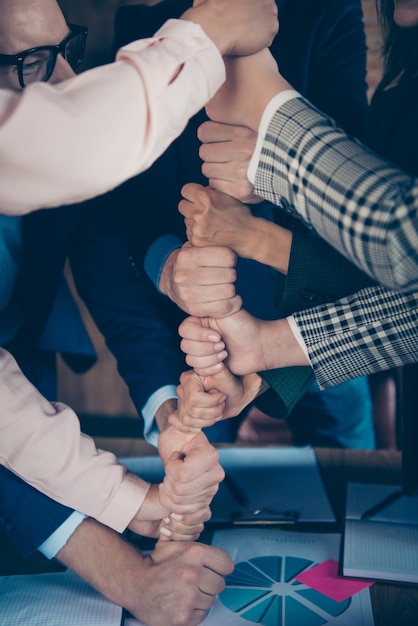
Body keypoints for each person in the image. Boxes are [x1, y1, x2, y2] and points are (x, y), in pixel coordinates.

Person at [0, 0, 279, 621]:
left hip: (24, 373)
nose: (71, 85)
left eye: (67, 50)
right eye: (32, 63)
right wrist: (126, 569)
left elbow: (109, 276)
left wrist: (167, 412)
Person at [113, 0, 375, 449]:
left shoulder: (327, 11)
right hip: (197, 321)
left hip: (325, 302)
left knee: (349, 471)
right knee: (201, 469)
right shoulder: (147, 24)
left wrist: (278, 168)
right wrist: (170, 267)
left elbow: (354, 156)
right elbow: (134, 192)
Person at [0, 0, 278, 215]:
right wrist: (211, 32)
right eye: (33, 62)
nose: (69, 79)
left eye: (67, 50)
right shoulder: (143, 32)